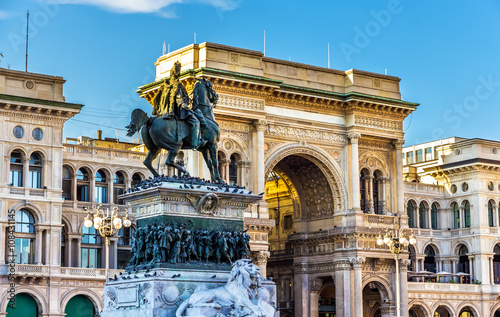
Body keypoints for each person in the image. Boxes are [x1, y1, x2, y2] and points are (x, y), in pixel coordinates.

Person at [152, 61, 207, 149]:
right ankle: (196, 143)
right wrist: (185, 105)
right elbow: (179, 99)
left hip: (166, 112)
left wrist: (155, 110)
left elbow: (156, 99)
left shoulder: (166, 84)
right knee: (196, 122)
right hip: (179, 110)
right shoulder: (177, 85)